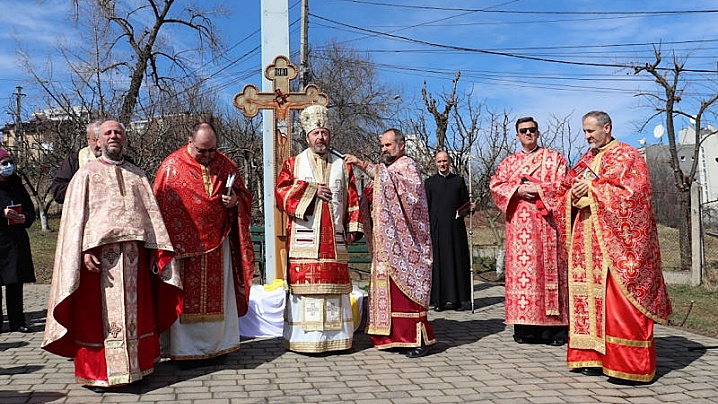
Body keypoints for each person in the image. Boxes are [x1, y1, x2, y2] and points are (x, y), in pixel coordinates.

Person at [42, 120, 183, 389]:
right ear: (98, 141)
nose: (114, 136)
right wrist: (83, 250)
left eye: (118, 132)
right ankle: (99, 374)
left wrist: (156, 252)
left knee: (137, 314)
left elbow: (152, 218)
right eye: (108, 133)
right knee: (96, 318)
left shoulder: (137, 175)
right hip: (98, 259)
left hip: (135, 258)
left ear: (125, 139)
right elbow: (75, 221)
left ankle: (137, 369)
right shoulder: (85, 174)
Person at [563, 111, 672, 384]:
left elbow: (634, 195)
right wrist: (573, 196)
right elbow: (565, 188)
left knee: (617, 302)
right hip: (586, 242)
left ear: (607, 127)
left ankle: (628, 365)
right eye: (584, 131)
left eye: (591, 131)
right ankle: (591, 356)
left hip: (617, 244)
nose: (587, 136)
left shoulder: (627, 156)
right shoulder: (586, 159)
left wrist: (592, 191)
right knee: (587, 299)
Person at [153, 122, 255, 367]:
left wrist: (235, 203)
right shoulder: (170, 167)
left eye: (212, 150)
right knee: (184, 301)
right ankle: (184, 351)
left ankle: (220, 347)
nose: (209, 156)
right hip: (183, 250)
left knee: (219, 297)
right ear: (190, 141)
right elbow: (157, 207)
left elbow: (243, 196)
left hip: (218, 245)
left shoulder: (225, 164)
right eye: (202, 150)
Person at [274, 104, 363, 353]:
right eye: (316, 133)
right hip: (305, 241)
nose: (320, 137)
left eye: (324, 132)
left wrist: (353, 229)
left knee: (333, 290)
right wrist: (311, 191)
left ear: (329, 135)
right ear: (307, 136)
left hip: (334, 238)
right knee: (306, 292)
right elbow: (280, 193)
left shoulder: (343, 165)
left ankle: (336, 339)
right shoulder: (294, 163)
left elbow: (353, 198)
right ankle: (306, 340)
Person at [345, 128, 436, 358]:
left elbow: (409, 196)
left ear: (401, 145)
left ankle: (415, 339)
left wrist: (362, 164)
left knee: (405, 293)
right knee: (389, 291)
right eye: (383, 146)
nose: (384, 149)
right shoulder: (388, 170)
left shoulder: (408, 166)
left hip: (407, 244)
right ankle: (392, 336)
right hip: (386, 242)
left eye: (389, 145)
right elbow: (378, 190)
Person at [489, 117, 569, 346]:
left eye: (532, 130)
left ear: (538, 132)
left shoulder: (554, 159)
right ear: (517, 135)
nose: (528, 134)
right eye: (523, 131)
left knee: (547, 276)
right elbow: (496, 185)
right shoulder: (508, 163)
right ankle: (525, 330)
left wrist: (539, 188)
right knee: (524, 280)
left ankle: (555, 331)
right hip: (519, 231)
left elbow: (565, 185)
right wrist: (517, 190)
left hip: (547, 229)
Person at [425, 151, 473, 312]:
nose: (442, 164)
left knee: (456, 261)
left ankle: (458, 300)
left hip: (455, 228)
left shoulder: (458, 181)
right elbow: (426, 207)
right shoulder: (430, 183)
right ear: (435, 163)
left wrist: (469, 207)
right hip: (437, 229)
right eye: (439, 161)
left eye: (445, 161)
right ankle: (439, 300)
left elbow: (465, 202)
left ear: (450, 162)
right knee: (439, 264)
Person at [0, 147, 35, 334]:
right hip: (0, 239)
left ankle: (17, 321)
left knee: (15, 282)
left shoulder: (16, 184)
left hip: (15, 240)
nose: (8, 166)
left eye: (9, 162)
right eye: (3, 163)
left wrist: (25, 218)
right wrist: (2, 213)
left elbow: (30, 209)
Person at [48, 120, 103, 204]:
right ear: (88, 139)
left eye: (103, 141)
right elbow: (58, 191)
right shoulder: (75, 160)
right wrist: (84, 186)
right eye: (95, 140)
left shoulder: (123, 162)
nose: (99, 145)